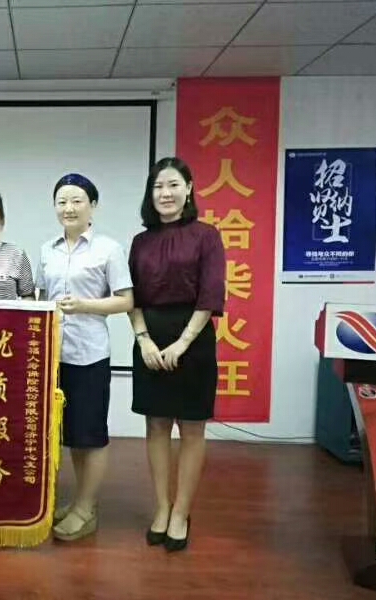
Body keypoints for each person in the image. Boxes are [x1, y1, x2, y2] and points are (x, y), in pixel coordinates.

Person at [128, 157, 226, 552]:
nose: (165, 193)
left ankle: (182, 512)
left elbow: (211, 294)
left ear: (188, 189)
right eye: (157, 186)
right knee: (155, 425)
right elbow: (130, 296)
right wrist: (144, 340)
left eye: (172, 185)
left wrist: (183, 343)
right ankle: (162, 507)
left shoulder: (207, 235)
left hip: (193, 340)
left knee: (191, 428)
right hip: (150, 340)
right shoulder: (140, 242)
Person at [35, 173, 134, 542]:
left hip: (89, 354)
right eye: (62, 201)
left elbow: (126, 300)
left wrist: (85, 305)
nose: (69, 208)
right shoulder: (47, 249)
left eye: (77, 200)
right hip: (52, 356)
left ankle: (87, 508)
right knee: (71, 435)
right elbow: (40, 299)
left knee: (90, 434)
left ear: (92, 206)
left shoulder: (108, 249)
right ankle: (79, 501)